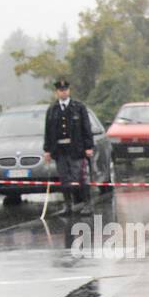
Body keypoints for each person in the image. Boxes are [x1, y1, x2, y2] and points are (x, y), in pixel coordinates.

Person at [42, 78, 95, 216]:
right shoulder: (52, 110)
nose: (63, 92)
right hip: (59, 150)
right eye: (60, 90)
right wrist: (47, 150)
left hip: (76, 149)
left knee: (80, 178)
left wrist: (88, 146)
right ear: (57, 92)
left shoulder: (78, 107)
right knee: (64, 179)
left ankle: (87, 204)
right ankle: (68, 205)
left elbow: (86, 128)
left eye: (65, 90)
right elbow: (48, 131)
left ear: (69, 91)